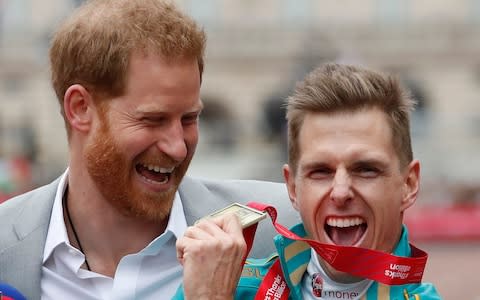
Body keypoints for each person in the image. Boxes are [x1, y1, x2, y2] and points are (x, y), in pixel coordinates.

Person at [0, 1, 298, 299]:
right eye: (153, 120)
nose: (178, 148)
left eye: (189, 119)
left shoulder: (284, 227)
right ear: (80, 109)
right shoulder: (7, 246)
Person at [175, 63, 441, 299]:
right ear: (292, 187)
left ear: (408, 185)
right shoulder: (226, 287)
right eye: (321, 171)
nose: (340, 192)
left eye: (366, 169)